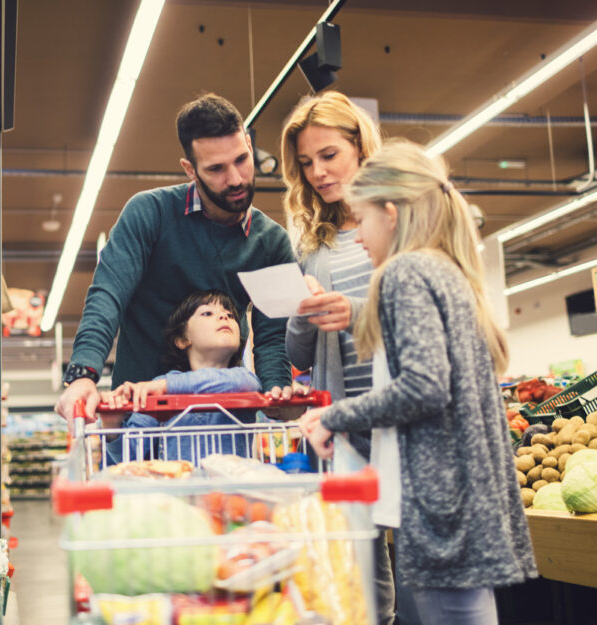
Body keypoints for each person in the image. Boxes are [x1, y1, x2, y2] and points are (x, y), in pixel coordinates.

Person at [299, 139, 537, 625]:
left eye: (362, 220)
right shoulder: (448, 270)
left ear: (390, 213)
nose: (360, 238)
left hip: (439, 507)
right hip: (468, 500)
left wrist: (334, 415)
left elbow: (424, 387)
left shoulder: (404, 272)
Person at [56, 93, 296, 424]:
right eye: (216, 168)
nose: (237, 179)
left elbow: (272, 337)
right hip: (139, 421)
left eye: (242, 159)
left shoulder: (272, 243)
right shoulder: (149, 213)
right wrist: (84, 373)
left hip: (223, 421)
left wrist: (277, 393)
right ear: (190, 170)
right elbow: (108, 295)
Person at [280, 91, 412, 625]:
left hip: (405, 419)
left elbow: (419, 314)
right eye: (307, 163)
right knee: (361, 576)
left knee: (420, 571)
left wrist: (353, 310)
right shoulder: (313, 244)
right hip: (347, 427)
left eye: (329, 155)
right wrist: (301, 312)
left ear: (360, 145)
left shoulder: (401, 222)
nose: (317, 173)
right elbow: (298, 356)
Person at [99, 289, 261, 464]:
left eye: (230, 315)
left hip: (232, 490)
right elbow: (129, 456)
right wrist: (111, 426)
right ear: (182, 339)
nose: (224, 317)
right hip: (180, 488)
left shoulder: (242, 378)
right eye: (207, 313)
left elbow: (248, 384)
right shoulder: (160, 387)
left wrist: (165, 386)